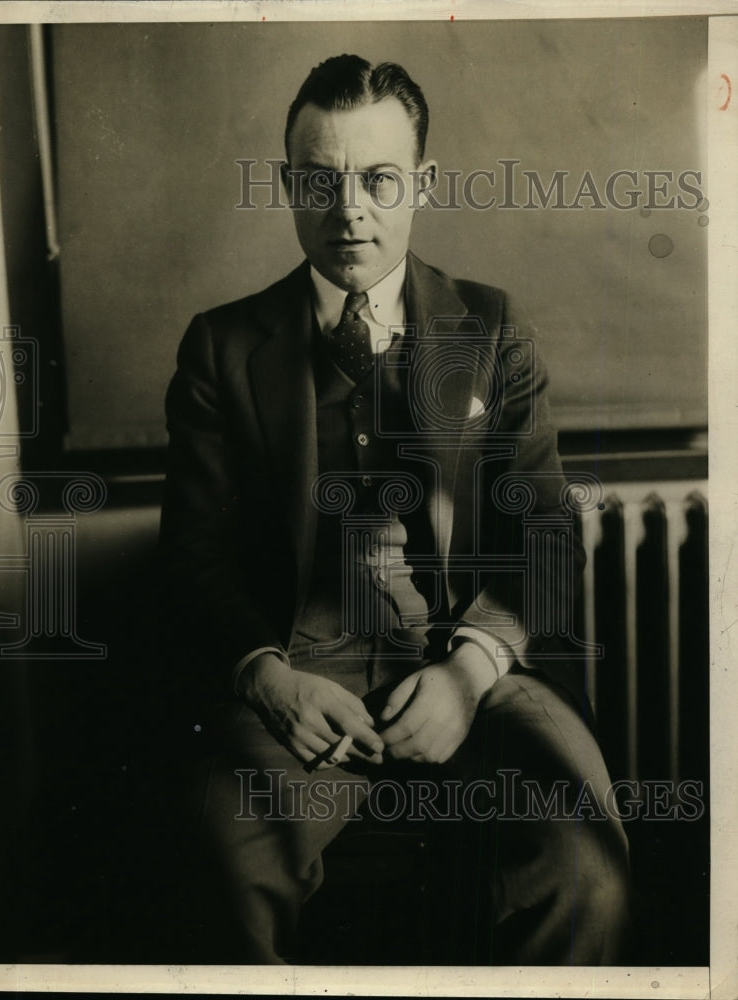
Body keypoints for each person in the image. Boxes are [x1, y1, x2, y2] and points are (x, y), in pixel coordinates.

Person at [158, 54, 631, 965]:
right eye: (319, 181)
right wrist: (266, 676)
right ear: (288, 186)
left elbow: (543, 537)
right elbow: (196, 555)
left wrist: (466, 675)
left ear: (422, 182)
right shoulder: (221, 348)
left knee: (586, 875)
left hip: (471, 671)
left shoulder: (489, 329)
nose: (349, 211)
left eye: (378, 180)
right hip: (294, 684)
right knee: (218, 869)